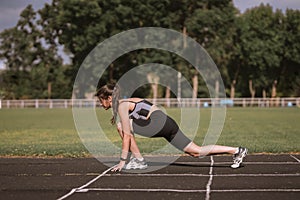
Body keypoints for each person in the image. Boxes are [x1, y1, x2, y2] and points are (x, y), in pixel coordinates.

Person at [95, 83, 247, 172]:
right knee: (196, 151)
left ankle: (139, 160)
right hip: (167, 123)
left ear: (109, 98)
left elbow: (127, 136)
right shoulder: (126, 102)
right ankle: (236, 150)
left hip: (159, 123)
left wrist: (122, 161)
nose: (100, 104)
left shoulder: (122, 106)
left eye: (101, 100)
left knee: (122, 127)